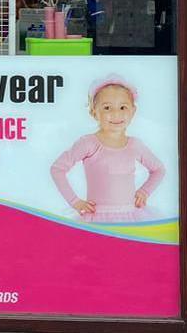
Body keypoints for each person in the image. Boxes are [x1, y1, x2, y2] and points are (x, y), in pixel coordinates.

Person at [49, 75, 166, 223]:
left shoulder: (135, 145)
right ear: (93, 111)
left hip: (130, 216)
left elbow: (159, 169)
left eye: (123, 107)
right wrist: (75, 202)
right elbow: (57, 168)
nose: (116, 114)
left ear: (133, 111)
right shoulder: (88, 143)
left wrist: (144, 191)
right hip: (97, 217)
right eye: (107, 108)